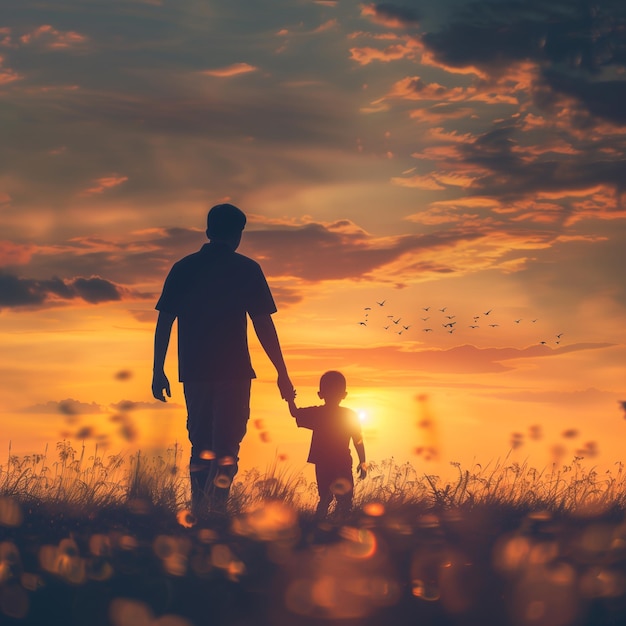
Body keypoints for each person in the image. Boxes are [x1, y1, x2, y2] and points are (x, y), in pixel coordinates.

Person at [151, 203, 294, 513]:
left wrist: (157, 369)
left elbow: (165, 321)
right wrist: (282, 372)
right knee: (227, 447)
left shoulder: (183, 267)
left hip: (196, 370)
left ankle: (202, 511)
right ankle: (215, 512)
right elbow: (263, 324)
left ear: (208, 232)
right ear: (237, 234)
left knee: (200, 445)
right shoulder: (246, 269)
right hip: (233, 372)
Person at [286, 371, 366, 518]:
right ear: (344, 394)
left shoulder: (318, 414)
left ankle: (320, 525)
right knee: (344, 500)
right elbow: (358, 440)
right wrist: (362, 461)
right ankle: (339, 526)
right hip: (341, 461)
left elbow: (295, 413)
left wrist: (290, 399)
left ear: (320, 394)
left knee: (326, 498)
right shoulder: (350, 415)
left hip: (324, 462)